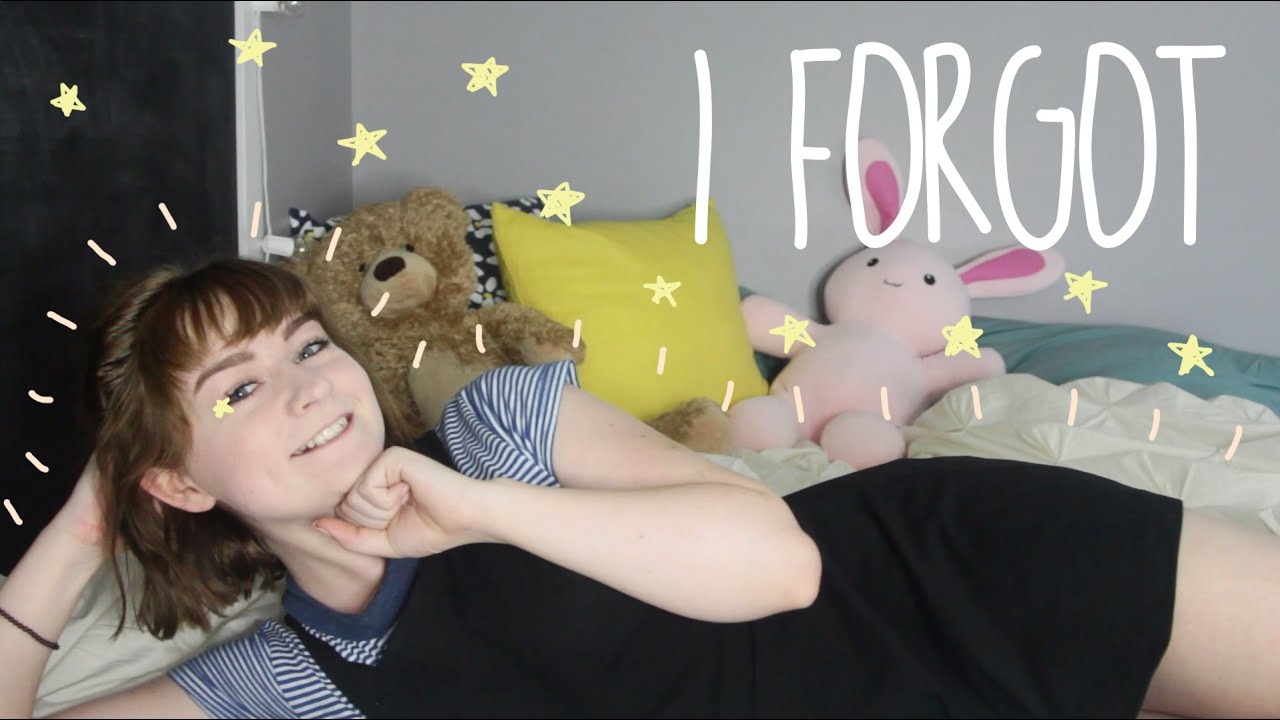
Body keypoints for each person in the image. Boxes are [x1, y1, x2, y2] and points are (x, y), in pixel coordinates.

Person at [1, 256, 1277, 720]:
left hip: (956, 575)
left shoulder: (496, 426)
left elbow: (783, 565)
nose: (307, 388)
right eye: (237, 391)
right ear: (177, 478)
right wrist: (81, 530)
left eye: (306, 347)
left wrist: (477, 510)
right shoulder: (289, 680)